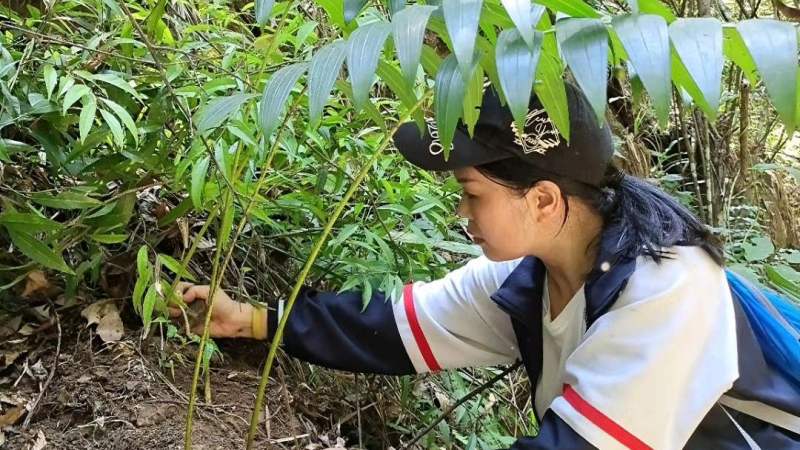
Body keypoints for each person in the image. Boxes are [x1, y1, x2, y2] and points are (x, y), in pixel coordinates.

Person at [170, 82, 800, 449]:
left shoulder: (667, 290)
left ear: (544, 200)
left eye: (472, 194)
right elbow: (390, 328)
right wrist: (250, 320)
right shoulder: (530, 278)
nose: (461, 213)